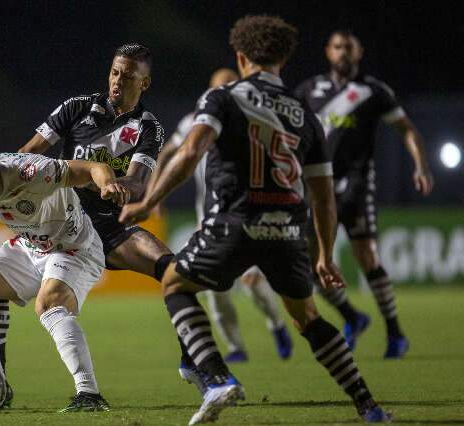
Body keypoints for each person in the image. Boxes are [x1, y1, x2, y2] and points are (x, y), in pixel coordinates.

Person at [121, 16, 390, 424]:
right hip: (287, 229)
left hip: (234, 220)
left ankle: (217, 377)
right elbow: (322, 196)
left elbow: (192, 150)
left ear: (241, 57)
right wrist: (324, 256)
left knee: (175, 282)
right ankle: (369, 406)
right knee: (308, 318)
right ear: (283, 59)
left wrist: (148, 201)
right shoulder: (305, 113)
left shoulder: (224, 97)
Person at [0, 43, 179, 403]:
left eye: (128, 76)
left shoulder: (147, 126)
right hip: (64, 225)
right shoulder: (76, 108)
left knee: (173, 271)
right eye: (114, 72)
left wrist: (117, 187)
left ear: (145, 83)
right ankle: (1, 383)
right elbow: (28, 153)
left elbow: (139, 182)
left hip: (109, 227)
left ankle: (194, 358)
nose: (117, 81)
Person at [0, 131, 128, 412]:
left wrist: (108, 185)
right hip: (31, 248)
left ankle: (89, 394)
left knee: (49, 305)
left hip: (74, 247)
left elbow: (93, 168)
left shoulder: (31, 171)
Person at [294, 30, 434, 358]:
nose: (343, 53)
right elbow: (289, 131)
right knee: (310, 266)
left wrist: (421, 165)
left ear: (359, 53)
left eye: (349, 48)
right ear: (328, 52)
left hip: (357, 185)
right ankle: (352, 317)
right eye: (338, 47)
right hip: (317, 185)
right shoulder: (308, 90)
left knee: (367, 258)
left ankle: (395, 332)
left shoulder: (372, 91)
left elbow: (407, 129)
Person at [157, 68, 292, 363]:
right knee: (213, 291)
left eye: (228, 85)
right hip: (210, 219)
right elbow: (170, 152)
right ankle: (235, 347)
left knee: (254, 282)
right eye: (218, 87)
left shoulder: (249, 118)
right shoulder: (194, 121)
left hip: (248, 215)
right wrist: (155, 191)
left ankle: (277, 324)